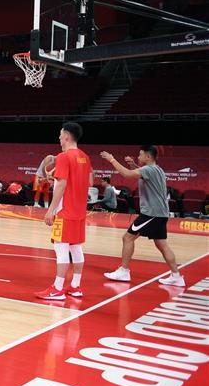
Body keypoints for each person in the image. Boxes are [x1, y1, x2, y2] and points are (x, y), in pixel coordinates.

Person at [101, 146, 184, 287]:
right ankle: (176, 276)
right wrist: (133, 165)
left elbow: (127, 174)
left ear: (148, 157)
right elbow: (140, 173)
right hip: (160, 214)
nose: (138, 157)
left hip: (151, 214)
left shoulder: (148, 170)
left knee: (127, 238)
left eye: (140, 155)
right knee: (162, 245)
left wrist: (111, 159)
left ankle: (124, 271)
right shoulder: (157, 169)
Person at [37, 122, 92, 301]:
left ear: (67, 136)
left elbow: (62, 184)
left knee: (60, 247)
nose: (59, 138)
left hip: (65, 210)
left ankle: (57, 289)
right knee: (75, 247)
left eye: (61, 135)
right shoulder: (84, 157)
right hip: (79, 211)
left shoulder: (64, 156)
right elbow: (87, 182)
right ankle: (75, 286)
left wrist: (51, 210)